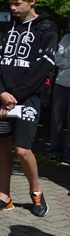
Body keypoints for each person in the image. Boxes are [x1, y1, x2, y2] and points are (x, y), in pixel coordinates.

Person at [0, 0, 58, 215]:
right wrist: (1, 92)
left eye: (17, 3)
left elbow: (43, 68)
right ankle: (4, 197)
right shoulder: (5, 28)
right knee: (3, 144)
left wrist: (15, 96)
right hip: (2, 96)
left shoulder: (47, 29)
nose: (12, 7)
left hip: (28, 97)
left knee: (22, 149)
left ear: (32, 1)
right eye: (11, 3)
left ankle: (36, 192)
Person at [49, 20, 70, 163]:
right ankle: (54, 152)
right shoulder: (66, 38)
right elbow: (57, 58)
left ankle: (68, 155)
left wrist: (65, 64)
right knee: (57, 119)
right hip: (61, 83)